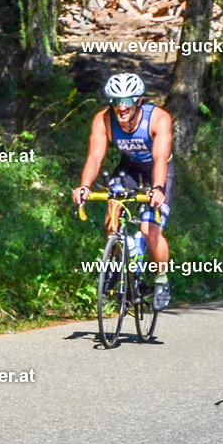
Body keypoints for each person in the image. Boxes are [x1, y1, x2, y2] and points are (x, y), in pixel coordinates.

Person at [72, 72, 174, 310]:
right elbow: (95, 156)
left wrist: (157, 189)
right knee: (111, 218)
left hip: (158, 172)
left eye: (127, 101)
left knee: (149, 229)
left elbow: (160, 158)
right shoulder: (104, 120)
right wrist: (85, 186)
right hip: (128, 169)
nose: (122, 107)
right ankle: (119, 265)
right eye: (116, 101)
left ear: (139, 101)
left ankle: (161, 279)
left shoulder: (159, 118)